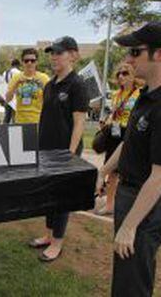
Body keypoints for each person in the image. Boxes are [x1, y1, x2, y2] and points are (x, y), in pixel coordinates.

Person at [97, 21, 161, 297]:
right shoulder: (145, 95)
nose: (127, 59)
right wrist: (103, 171)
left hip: (144, 204)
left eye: (135, 52)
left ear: (158, 55)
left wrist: (130, 225)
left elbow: (159, 178)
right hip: (128, 194)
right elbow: (129, 142)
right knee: (124, 275)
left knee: (132, 283)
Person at [28, 36, 88, 262]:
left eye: (59, 52)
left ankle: (57, 243)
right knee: (49, 194)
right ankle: (48, 234)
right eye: (52, 53)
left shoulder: (77, 84)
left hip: (65, 152)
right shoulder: (50, 84)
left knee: (62, 197)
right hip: (46, 149)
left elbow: (80, 122)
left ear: (72, 55)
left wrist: (70, 154)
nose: (54, 57)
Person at [95, 63, 141, 216]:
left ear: (134, 76)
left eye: (125, 73)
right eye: (119, 74)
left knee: (130, 173)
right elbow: (113, 114)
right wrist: (105, 122)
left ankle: (135, 207)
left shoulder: (140, 94)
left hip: (131, 134)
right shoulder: (116, 94)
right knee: (112, 173)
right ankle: (109, 205)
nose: (121, 76)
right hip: (115, 134)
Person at [5, 48, 49, 124]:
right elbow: (8, 99)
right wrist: (16, 85)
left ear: (36, 62)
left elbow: (51, 99)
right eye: (26, 61)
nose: (29, 63)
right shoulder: (16, 77)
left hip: (38, 120)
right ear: (22, 62)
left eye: (32, 61)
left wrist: (42, 87)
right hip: (20, 121)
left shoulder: (44, 78)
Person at [2, 59, 21, 123]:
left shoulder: (5, 73)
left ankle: (3, 130)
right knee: (15, 117)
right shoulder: (18, 72)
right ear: (18, 65)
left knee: (7, 116)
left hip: (7, 96)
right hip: (15, 97)